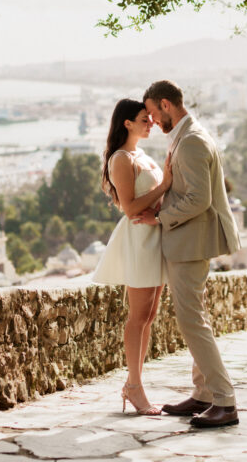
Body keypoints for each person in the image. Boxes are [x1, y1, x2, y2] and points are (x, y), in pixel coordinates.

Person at [134, 80, 241, 428]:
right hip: (189, 241)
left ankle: (225, 401)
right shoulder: (187, 134)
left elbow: (199, 199)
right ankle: (204, 394)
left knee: (192, 321)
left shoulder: (192, 141)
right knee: (196, 317)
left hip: (190, 242)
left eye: (152, 112)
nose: (151, 120)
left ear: (166, 105)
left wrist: (160, 217)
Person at [93, 98, 172, 415]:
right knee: (138, 316)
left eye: (150, 119)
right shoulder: (121, 159)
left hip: (155, 236)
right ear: (127, 123)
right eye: (144, 118)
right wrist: (164, 183)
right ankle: (134, 386)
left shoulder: (142, 155)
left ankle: (134, 384)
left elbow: (156, 200)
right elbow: (129, 208)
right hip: (139, 239)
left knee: (149, 316)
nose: (150, 122)